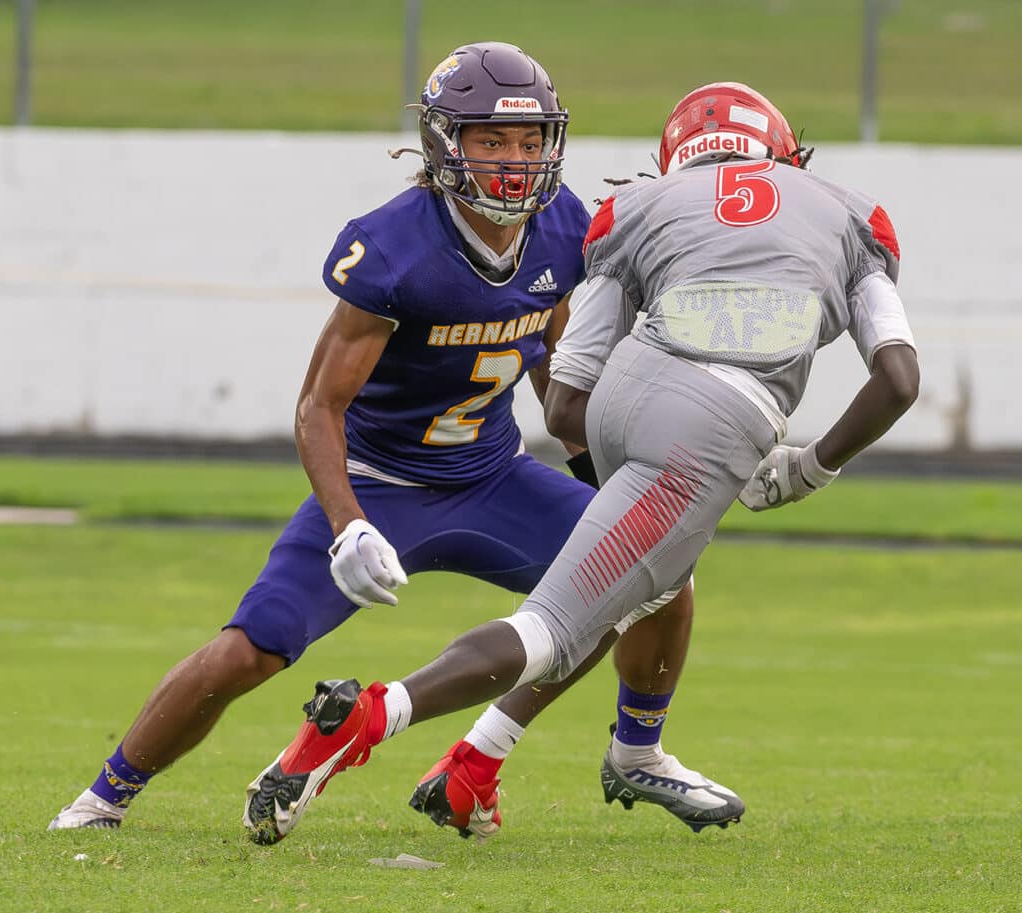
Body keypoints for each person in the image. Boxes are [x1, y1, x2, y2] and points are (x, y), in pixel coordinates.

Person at [49, 44, 742, 842]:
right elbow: (318, 407)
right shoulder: (394, 245)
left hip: (491, 476)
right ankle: (104, 796)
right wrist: (347, 522)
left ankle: (517, 757)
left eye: (528, 141)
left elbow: (560, 379)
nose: (514, 162)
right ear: (446, 141)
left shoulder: (562, 229)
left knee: (653, 576)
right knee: (253, 648)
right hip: (379, 483)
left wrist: (613, 479)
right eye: (491, 140)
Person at [243, 80, 920, 842]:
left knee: (654, 583)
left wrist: (618, 465)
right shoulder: (851, 210)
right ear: (783, 152)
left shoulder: (634, 209)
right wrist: (806, 469)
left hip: (622, 398)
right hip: (715, 422)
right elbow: (898, 380)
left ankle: (486, 761)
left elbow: (565, 403)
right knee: (556, 626)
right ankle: (371, 716)